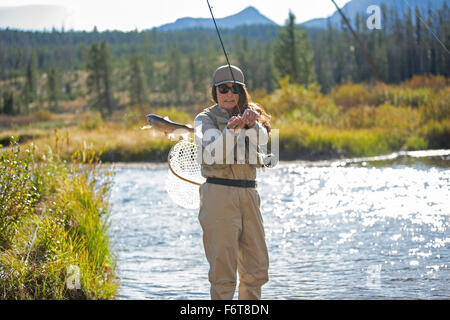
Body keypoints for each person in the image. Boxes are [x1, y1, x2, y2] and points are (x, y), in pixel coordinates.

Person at [194, 65, 271, 300]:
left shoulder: (251, 116)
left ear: (241, 92)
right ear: (215, 92)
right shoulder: (203, 119)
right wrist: (231, 131)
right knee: (223, 274)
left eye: (234, 89)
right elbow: (213, 155)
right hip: (218, 195)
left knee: (256, 270)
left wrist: (252, 124)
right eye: (223, 89)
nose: (229, 94)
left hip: (249, 196)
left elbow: (266, 142)